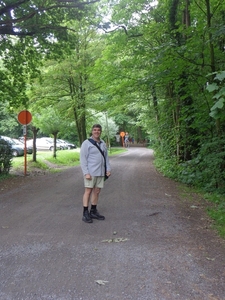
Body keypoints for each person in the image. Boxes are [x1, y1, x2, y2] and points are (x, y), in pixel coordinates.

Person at [80, 124, 111, 223]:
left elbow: (106, 158)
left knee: (97, 191)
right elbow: (83, 159)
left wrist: (108, 169)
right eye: (94, 130)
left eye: (98, 130)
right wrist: (86, 172)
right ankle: (85, 213)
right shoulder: (86, 143)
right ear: (92, 131)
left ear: (101, 132)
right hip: (91, 172)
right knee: (88, 191)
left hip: (100, 172)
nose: (96, 132)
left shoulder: (102, 143)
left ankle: (93, 210)